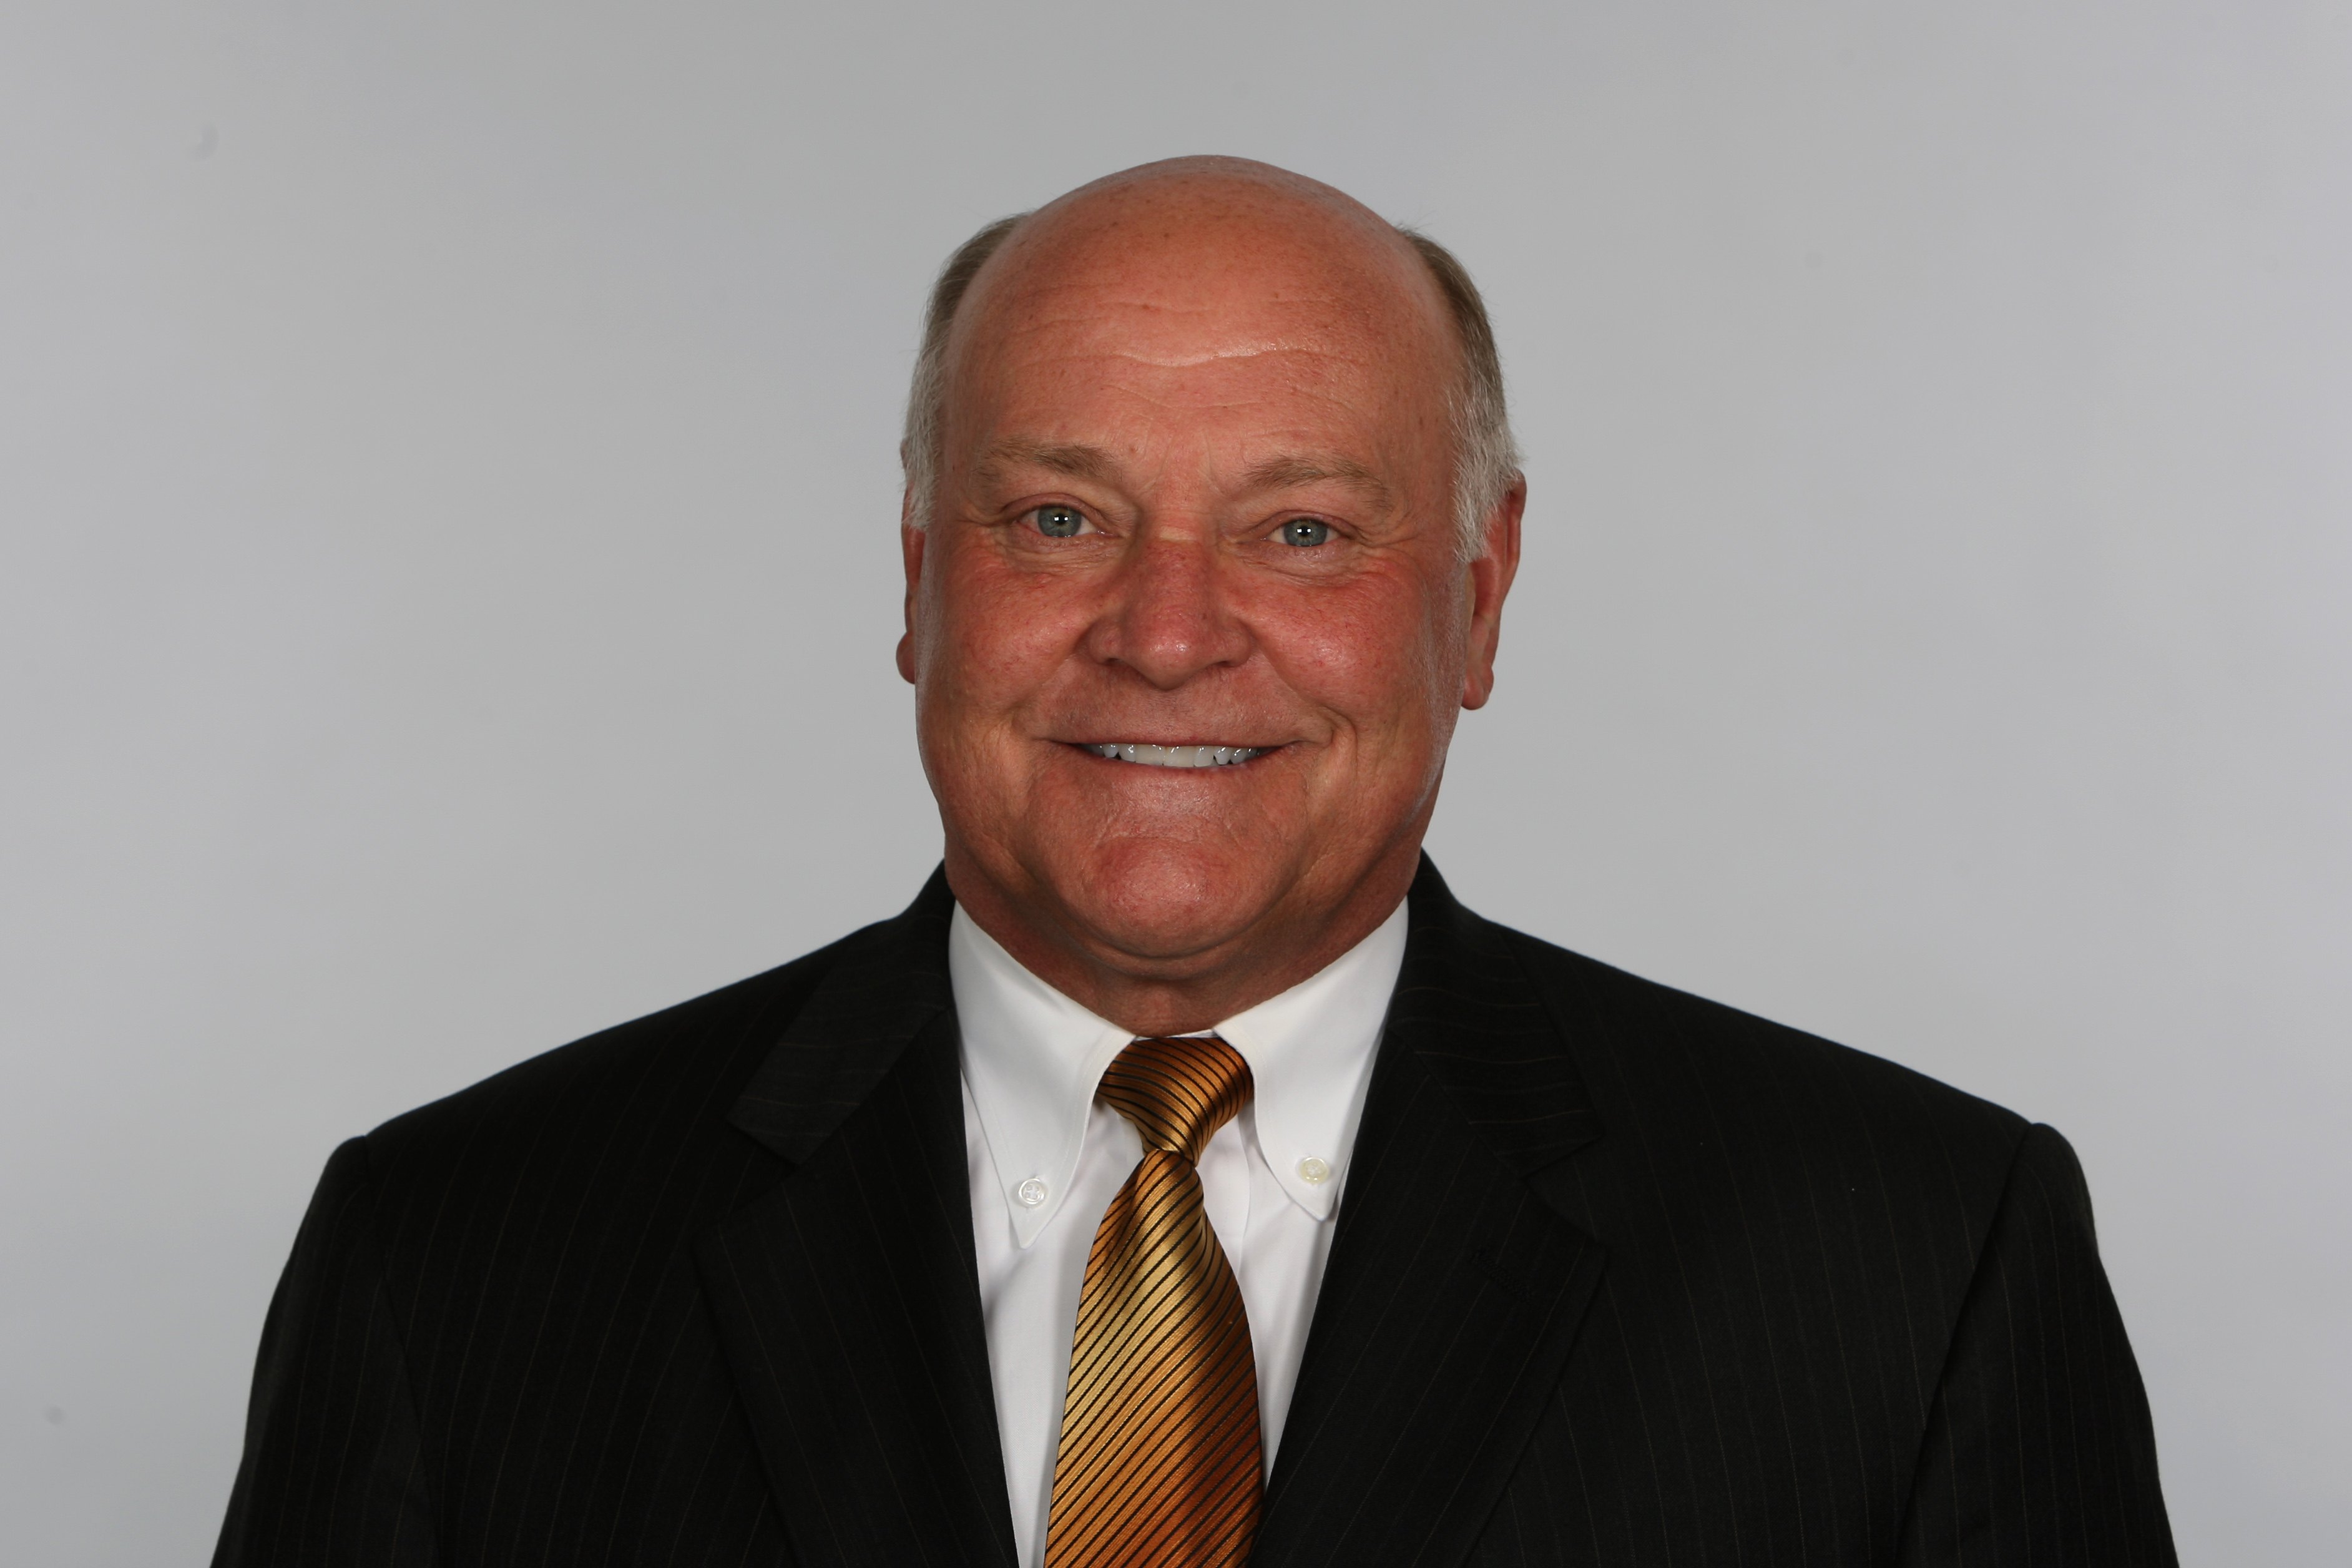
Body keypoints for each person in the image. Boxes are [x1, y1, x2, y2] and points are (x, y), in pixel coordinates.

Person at [213, 157, 2175, 1567]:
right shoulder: (457, 1259)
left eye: (1305, 532)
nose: (1166, 632)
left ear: (1480, 605)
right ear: (919, 584)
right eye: (1059, 516)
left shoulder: (1912, 1270)